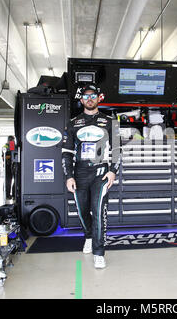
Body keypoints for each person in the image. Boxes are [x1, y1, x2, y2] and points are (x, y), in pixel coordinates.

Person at [62, 85, 121, 269]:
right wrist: (69, 176)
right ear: (81, 100)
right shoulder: (73, 123)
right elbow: (67, 152)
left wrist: (113, 171)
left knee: (98, 211)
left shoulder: (110, 121)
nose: (89, 99)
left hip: (100, 173)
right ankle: (88, 236)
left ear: (98, 98)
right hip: (79, 173)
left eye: (93, 96)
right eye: (86, 96)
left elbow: (118, 149)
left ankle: (99, 252)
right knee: (81, 211)